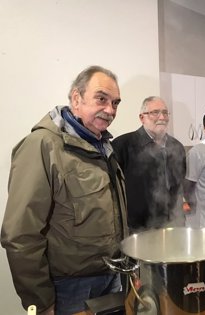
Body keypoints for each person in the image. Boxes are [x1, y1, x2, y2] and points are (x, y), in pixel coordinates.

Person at [1, 66, 129, 315]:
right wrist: (40, 301)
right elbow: (20, 234)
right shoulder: (42, 146)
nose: (111, 110)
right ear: (76, 98)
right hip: (68, 288)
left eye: (115, 103)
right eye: (101, 99)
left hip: (112, 276)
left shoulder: (102, 145)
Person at [112, 96, 186, 231]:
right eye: (155, 112)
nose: (162, 117)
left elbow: (179, 188)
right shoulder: (122, 145)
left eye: (165, 112)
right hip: (137, 229)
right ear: (142, 117)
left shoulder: (177, 147)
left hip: (173, 225)